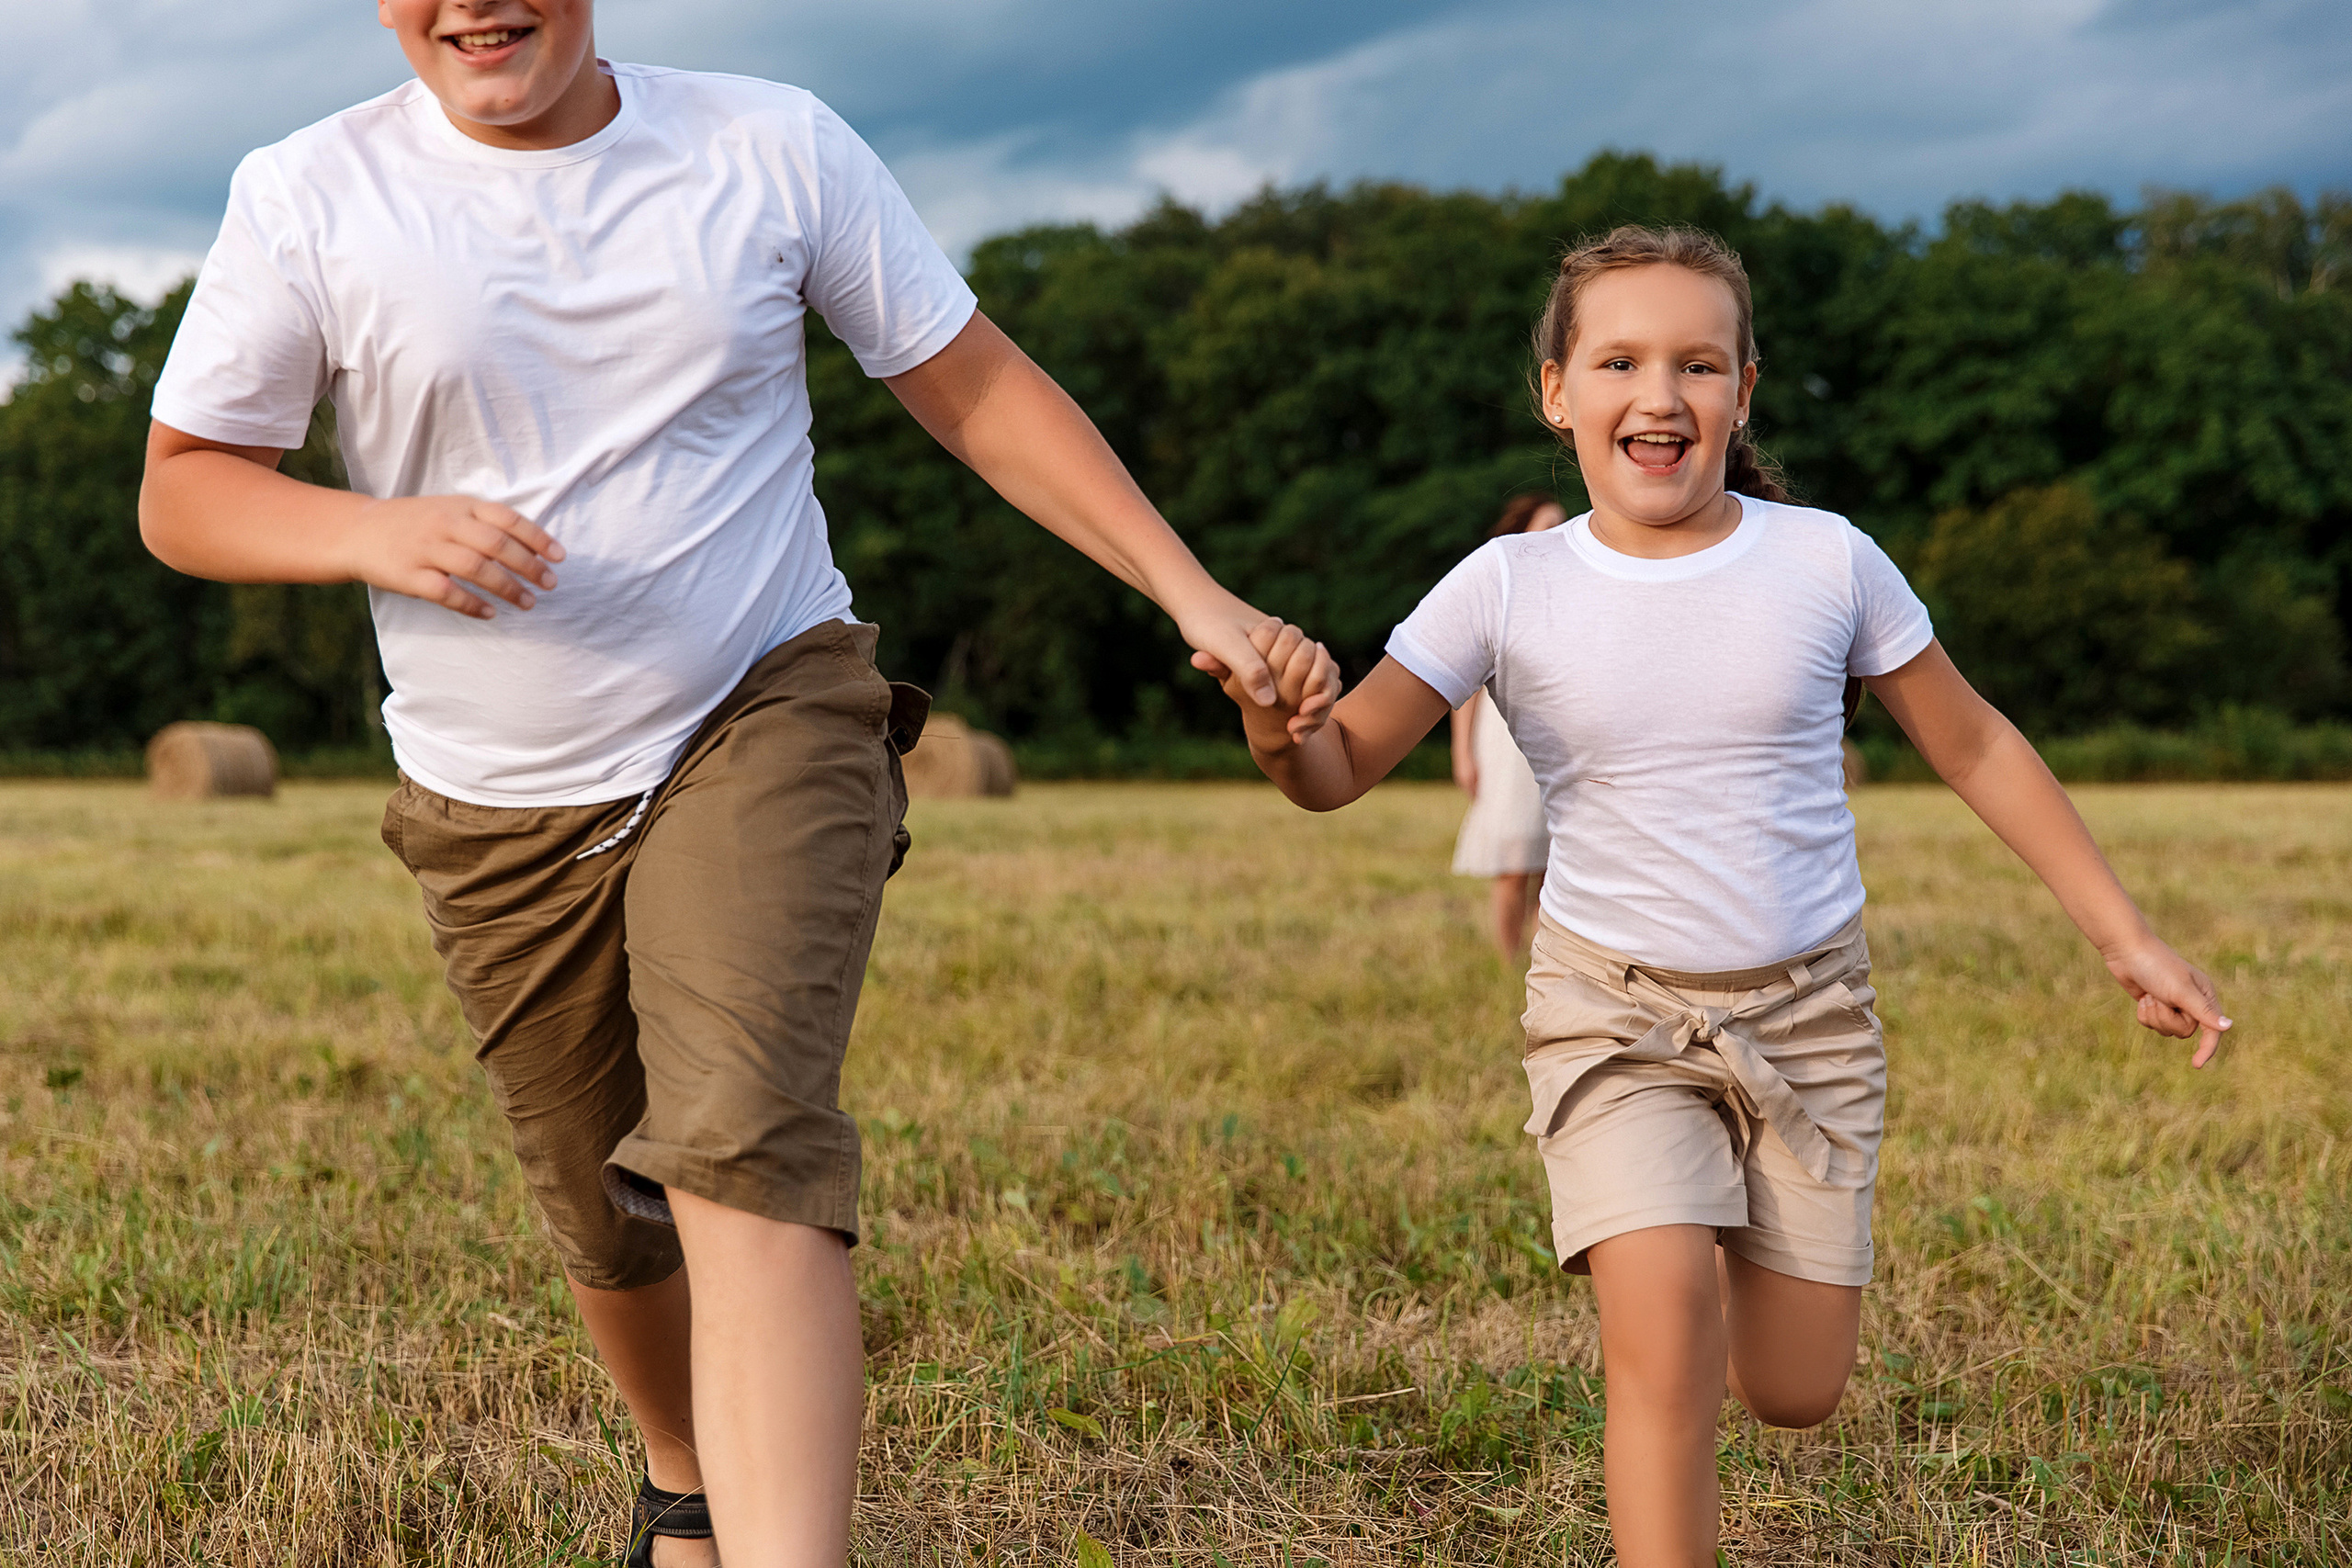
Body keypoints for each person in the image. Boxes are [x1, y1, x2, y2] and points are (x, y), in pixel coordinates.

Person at [135, 6, 1337, 1566]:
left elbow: (973, 389)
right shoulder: (311, 192)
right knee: (606, 1212)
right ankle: (685, 1479)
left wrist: (1197, 599)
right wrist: (366, 531)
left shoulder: (769, 144)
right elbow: (186, 486)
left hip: (764, 701)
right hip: (495, 793)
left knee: (744, 1138)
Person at [1210, 225, 2230, 1568]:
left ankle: (1765, 1268)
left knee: (1793, 1387)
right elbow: (1339, 767)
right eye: (1620, 358)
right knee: (1665, 1339)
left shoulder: (1828, 561)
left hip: (1811, 1013)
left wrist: (2127, 932)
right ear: (1556, 390)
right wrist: (1282, 729)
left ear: (1744, 390)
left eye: (1699, 362)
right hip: (1613, 1012)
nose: (1660, 393)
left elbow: (1974, 742)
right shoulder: (1506, 585)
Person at [1450, 495, 1567, 956]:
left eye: (1563, 525)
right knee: (1514, 860)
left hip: (1556, 740)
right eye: (1548, 525)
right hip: (1503, 744)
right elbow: (1466, 686)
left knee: (1552, 865)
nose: (1558, 533)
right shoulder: (1494, 592)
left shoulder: (1573, 594)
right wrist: (1463, 755)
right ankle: (1505, 961)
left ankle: (1542, 962)